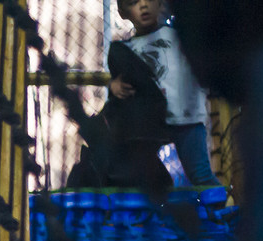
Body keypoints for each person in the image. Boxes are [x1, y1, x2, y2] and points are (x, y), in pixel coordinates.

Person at [92, 0, 218, 186]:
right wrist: (113, 86)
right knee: (140, 175)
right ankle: (148, 211)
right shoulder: (126, 50)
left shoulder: (179, 37)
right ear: (122, 12)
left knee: (199, 174)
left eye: (149, 0)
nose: (143, 5)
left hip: (187, 118)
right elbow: (122, 83)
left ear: (160, 4)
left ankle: (221, 212)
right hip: (149, 124)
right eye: (134, 2)